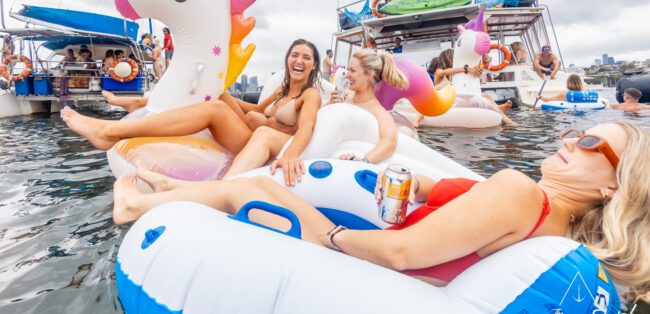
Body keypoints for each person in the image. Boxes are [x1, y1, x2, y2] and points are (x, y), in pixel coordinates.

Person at [113, 123, 650, 304]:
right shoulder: (548, 221)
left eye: (587, 142)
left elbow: (400, 252)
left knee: (250, 186)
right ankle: (163, 185)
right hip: (417, 271)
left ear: (612, 186)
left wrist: (333, 237)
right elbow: (439, 191)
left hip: (370, 263)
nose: (568, 141)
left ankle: (134, 204)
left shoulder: (518, 191)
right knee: (255, 187)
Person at [63, 40, 322, 184]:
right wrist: (222, 91)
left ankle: (110, 131)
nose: (299, 61)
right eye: (294, 55)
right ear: (287, 60)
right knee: (217, 96)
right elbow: (255, 110)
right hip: (249, 134)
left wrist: (292, 155)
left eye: (306, 58)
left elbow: (307, 127)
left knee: (217, 110)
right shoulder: (280, 91)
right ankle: (141, 104)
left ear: (314, 66)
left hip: (260, 146)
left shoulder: (310, 95)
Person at [225, 48, 404, 182]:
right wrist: (328, 106)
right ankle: (229, 181)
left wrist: (364, 160)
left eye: (352, 71)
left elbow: (390, 142)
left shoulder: (376, 110)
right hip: (306, 141)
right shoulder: (345, 98)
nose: (347, 75)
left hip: (318, 154)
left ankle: (227, 184)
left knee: (263, 133)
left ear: (369, 74)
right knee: (259, 126)